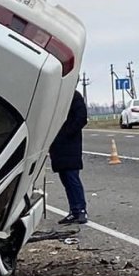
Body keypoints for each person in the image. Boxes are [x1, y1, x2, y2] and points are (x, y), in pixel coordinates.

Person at [49, 90, 89, 224]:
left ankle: (81, 209)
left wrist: (66, 132)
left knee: (72, 177)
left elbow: (81, 118)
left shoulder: (73, 96)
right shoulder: (55, 96)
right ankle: (74, 210)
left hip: (70, 142)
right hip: (56, 143)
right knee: (65, 178)